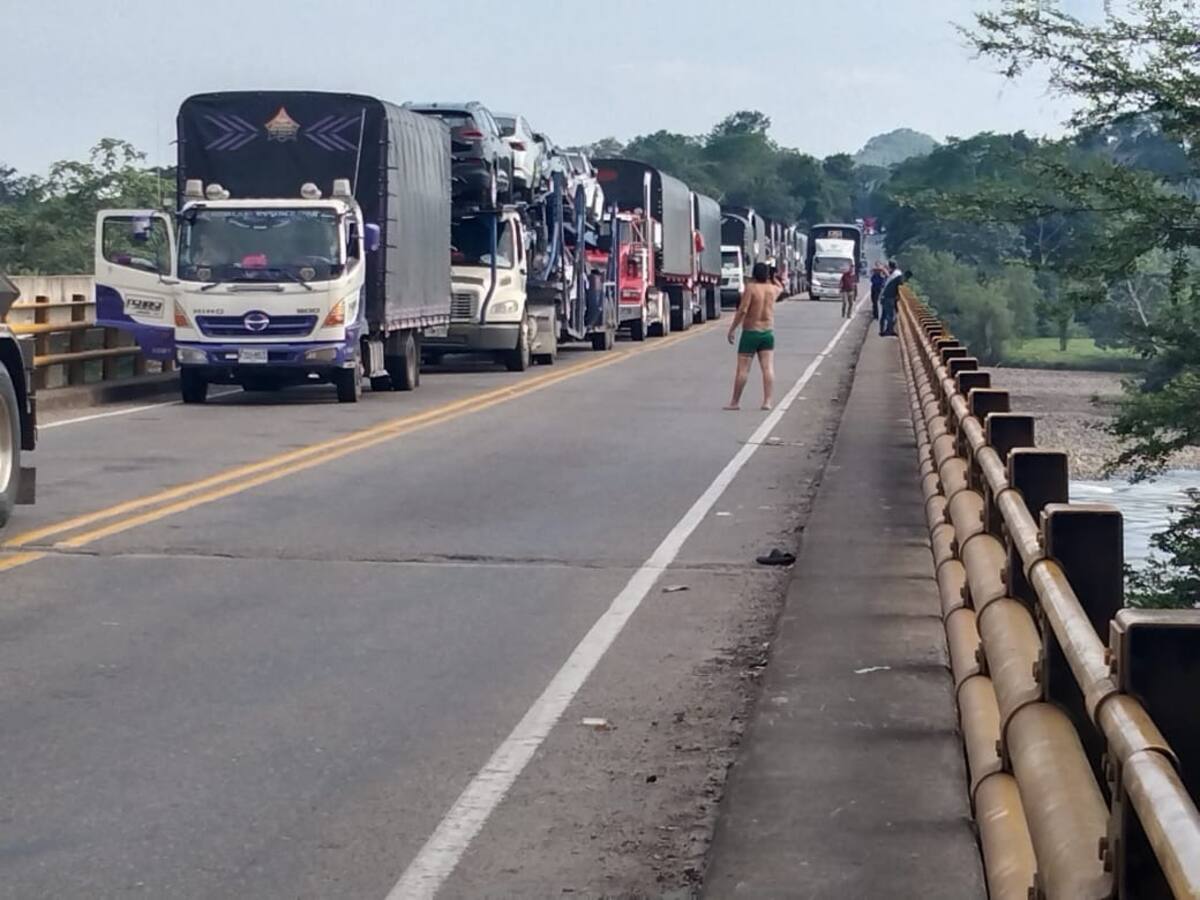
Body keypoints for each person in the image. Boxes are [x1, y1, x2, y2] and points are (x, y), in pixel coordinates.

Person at [726, 261, 781, 410]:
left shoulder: (751, 288)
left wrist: (732, 329)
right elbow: (781, 287)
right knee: (768, 368)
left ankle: (735, 402)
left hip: (751, 332)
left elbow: (743, 310)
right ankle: (767, 401)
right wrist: (773, 277)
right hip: (767, 332)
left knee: (743, 370)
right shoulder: (773, 290)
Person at [879, 268, 911, 337]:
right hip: (889, 297)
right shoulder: (900, 278)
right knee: (890, 315)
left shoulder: (898, 277)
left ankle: (884, 330)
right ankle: (889, 330)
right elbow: (901, 284)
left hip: (886, 296)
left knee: (885, 315)